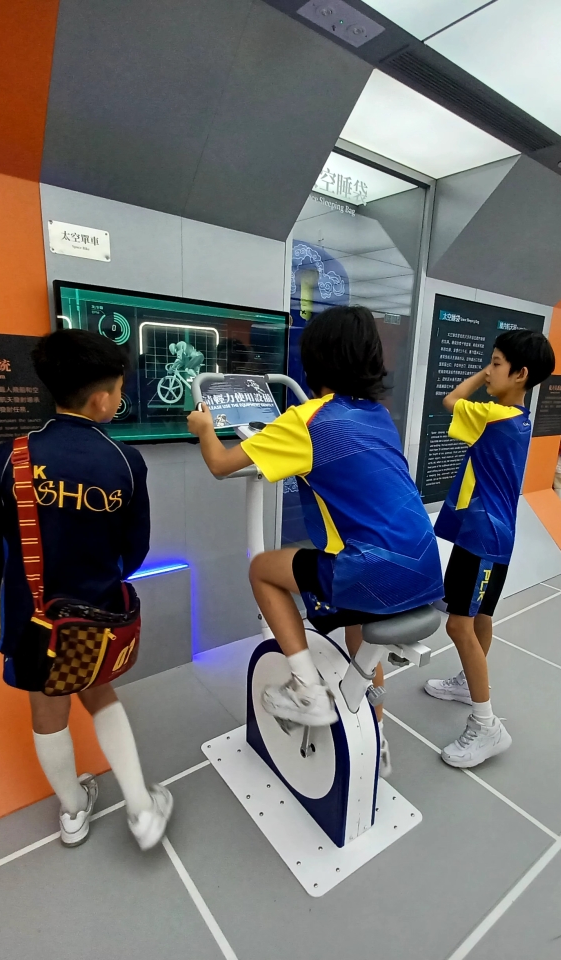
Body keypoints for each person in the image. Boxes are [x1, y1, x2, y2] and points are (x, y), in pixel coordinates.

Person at [186, 305, 444, 778]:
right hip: (426, 567)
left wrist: (204, 428)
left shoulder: (305, 420)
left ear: (314, 360)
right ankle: (376, 737)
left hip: (372, 569)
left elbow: (221, 464)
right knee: (359, 628)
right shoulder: (378, 415)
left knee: (262, 569)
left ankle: (307, 690)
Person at [0, 328, 172, 852]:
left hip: (31, 617)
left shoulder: (8, 459)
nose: (118, 398)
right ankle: (142, 809)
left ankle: (73, 810)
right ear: (101, 399)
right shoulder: (125, 462)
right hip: (97, 609)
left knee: (47, 709)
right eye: (118, 390)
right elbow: (135, 550)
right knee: (100, 693)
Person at [423, 330, 555, 767]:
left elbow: (449, 400)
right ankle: (469, 682)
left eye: (496, 363)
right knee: (480, 617)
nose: (489, 370)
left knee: (458, 626)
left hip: (483, 537)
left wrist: (480, 377)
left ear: (521, 374)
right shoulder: (518, 417)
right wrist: (494, 372)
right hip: (492, 534)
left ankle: (486, 726)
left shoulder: (493, 416)